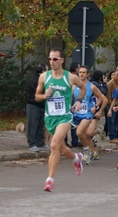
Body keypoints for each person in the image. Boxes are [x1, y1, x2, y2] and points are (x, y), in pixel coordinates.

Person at [35, 47, 86, 192]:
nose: (52, 62)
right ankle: (76, 158)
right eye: (50, 59)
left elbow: (83, 88)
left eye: (55, 59)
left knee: (54, 144)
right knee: (61, 148)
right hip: (50, 116)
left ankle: (49, 180)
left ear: (62, 60)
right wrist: (45, 96)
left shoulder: (70, 77)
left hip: (64, 116)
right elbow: (36, 96)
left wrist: (79, 101)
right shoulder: (44, 77)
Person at [73, 66, 107, 165]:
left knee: (79, 133)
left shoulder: (91, 86)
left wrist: (96, 107)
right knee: (85, 135)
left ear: (88, 74)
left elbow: (101, 98)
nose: (82, 74)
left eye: (84, 72)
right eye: (80, 72)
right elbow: (71, 98)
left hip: (87, 113)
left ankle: (86, 150)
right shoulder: (74, 86)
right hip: (77, 113)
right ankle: (91, 152)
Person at [26, 63, 49, 152]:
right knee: (32, 124)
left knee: (40, 125)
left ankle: (41, 143)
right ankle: (32, 143)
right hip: (33, 105)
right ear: (42, 71)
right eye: (47, 70)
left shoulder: (43, 79)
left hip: (42, 105)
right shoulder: (36, 80)